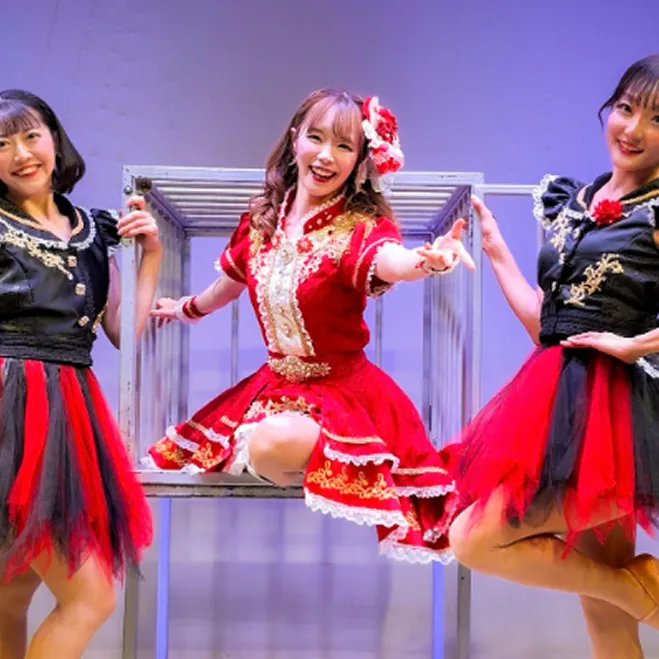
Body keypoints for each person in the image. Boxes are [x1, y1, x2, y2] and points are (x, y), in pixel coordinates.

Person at [147, 87, 474, 563]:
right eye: (316, 138)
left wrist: (428, 261)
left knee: (271, 444)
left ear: (359, 160)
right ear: (295, 138)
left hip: (345, 393)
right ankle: (318, 465)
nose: (325, 156)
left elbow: (390, 260)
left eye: (343, 146)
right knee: (261, 445)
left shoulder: (358, 227)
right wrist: (186, 309)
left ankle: (346, 460)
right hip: (273, 385)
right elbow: (230, 284)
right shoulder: (260, 222)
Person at [447, 54, 659, 658]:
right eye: (626, 108)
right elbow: (547, 325)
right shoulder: (576, 199)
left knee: (474, 539)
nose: (633, 129)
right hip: (561, 403)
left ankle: (639, 590)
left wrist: (635, 344)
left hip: (618, 416)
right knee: (604, 616)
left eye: (657, 119)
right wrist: (496, 251)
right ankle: (634, 590)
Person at [0, 89, 160, 659]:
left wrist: (152, 257)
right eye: (1, 144)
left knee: (11, 591)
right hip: (11, 407)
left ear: (54, 139)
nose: (21, 153)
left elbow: (122, 331)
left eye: (31, 136)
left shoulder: (94, 229)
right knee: (87, 598)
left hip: (70, 407)